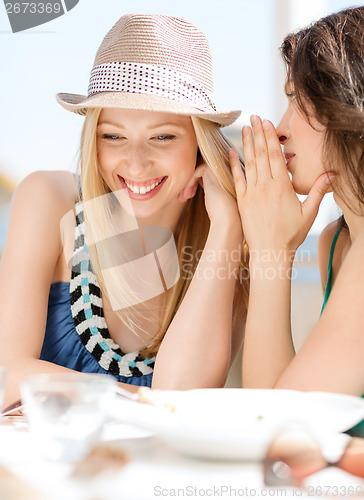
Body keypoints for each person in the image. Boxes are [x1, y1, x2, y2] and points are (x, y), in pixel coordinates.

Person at [0, 14, 248, 409]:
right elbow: (7, 374)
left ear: (199, 144)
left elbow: (184, 400)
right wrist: (135, 399)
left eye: (162, 137)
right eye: (113, 136)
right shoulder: (49, 199)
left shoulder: (224, 240)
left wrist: (227, 229)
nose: (135, 164)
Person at [231, 6, 364, 401]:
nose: (281, 129)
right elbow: (276, 403)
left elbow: (280, 422)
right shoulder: (335, 246)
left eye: (297, 100)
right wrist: (273, 250)